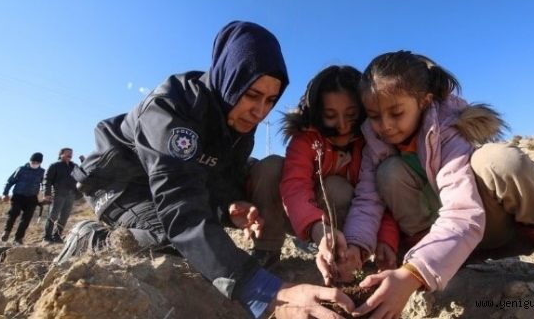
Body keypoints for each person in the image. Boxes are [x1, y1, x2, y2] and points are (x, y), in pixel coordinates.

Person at [56, 21, 355, 319]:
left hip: (168, 184)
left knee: (201, 247)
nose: (260, 111)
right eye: (252, 95)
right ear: (229, 79)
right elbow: (181, 207)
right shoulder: (171, 108)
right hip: (121, 182)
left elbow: (216, 176)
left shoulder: (237, 119)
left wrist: (228, 208)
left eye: (270, 100)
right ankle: (93, 238)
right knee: (175, 246)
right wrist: (266, 291)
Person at [324, 50, 534, 317]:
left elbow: (464, 212)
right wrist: (357, 246)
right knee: (389, 172)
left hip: (498, 227)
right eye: (374, 116)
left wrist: (413, 273)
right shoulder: (376, 143)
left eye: (396, 113)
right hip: (447, 246)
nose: (385, 125)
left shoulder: (447, 129)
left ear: (424, 101)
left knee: (498, 161)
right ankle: (443, 265)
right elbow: (368, 199)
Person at [280, 65, 399, 283]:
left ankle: (348, 257)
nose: (343, 126)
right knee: (333, 188)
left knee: (341, 189)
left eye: (352, 115)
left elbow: (377, 198)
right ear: (316, 113)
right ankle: (269, 252)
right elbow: (294, 187)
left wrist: (386, 239)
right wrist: (319, 229)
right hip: (310, 224)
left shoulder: (371, 145)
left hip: (360, 231)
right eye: (330, 116)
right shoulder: (306, 140)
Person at [0, 152, 45, 245]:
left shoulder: (42, 172)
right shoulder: (21, 169)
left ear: (40, 163)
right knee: (13, 214)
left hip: (32, 198)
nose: (35, 164)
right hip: (18, 196)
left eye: (37, 162)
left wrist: (46, 195)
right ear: (30, 160)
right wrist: (5, 193)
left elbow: (44, 185)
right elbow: (10, 182)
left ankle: (18, 238)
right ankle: (6, 232)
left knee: (26, 219)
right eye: (33, 161)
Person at [42, 147, 80, 243]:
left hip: (71, 194)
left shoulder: (74, 166)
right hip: (58, 193)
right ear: (61, 154)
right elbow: (47, 180)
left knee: (64, 216)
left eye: (71, 153)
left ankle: (57, 236)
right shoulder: (55, 165)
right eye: (68, 153)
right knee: (53, 215)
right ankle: (47, 237)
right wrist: (47, 193)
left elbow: (82, 175)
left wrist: (83, 161)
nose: (70, 155)